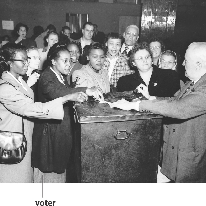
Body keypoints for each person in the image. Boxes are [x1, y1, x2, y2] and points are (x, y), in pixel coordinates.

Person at [110, 42, 206, 183]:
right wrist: (151, 98)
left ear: (198, 64)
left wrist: (137, 104)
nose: (183, 64)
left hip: (191, 158)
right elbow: (174, 100)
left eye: (186, 60)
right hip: (174, 155)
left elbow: (179, 108)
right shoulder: (193, 83)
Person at [0, 43, 89, 183]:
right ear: (9, 63)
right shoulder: (5, 88)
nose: (26, 63)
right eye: (22, 60)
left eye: (27, 60)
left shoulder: (20, 81)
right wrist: (65, 98)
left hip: (26, 139)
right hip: (13, 144)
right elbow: (30, 108)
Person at [32, 43, 102, 183]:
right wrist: (85, 90)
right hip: (50, 134)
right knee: (50, 174)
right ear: (53, 61)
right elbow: (58, 93)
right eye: (65, 61)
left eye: (70, 60)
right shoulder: (46, 76)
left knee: (58, 170)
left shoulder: (58, 74)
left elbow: (66, 90)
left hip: (58, 132)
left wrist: (85, 89)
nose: (69, 64)